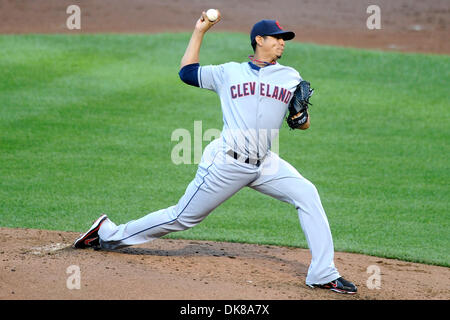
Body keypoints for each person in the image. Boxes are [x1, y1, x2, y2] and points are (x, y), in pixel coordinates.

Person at [74, 11, 357, 294]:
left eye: (285, 39)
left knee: (307, 194)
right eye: (277, 37)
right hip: (227, 162)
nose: (283, 43)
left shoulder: (291, 77)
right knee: (181, 217)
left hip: (265, 163)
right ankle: (107, 233)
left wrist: (300, 118)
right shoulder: (228, 72)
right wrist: (200, 31)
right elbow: (187, 73)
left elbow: (303, 123)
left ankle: (322, 273)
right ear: (259, 39)